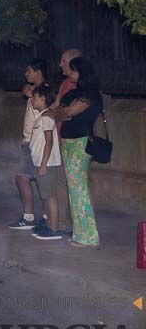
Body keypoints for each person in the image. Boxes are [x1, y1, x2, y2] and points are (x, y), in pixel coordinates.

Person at [51, 56, 103, 248]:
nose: (70, 73)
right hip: (70, 142)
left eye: (73, 70)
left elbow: (68, 112)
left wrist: (62, 112)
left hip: (80, 143)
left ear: (81, 72)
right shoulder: (78, 91)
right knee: (75, 190)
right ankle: (81, 233)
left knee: (78, 189)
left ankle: (88, 236)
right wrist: (61, 112)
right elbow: (59, 109)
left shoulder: (90, 94)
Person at [9, 59, 47, 231]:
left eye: (29, 71)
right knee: (28, 178)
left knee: (28, 177)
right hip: (29, 141)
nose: (26, 74)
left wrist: (33, 96)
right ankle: (33, 217)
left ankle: (39, 218)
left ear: (38, 72)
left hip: (36, 141)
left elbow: (49, 111)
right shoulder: (34, 90)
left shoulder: (45, 90)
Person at [27, 85, 64, 241]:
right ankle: (50, 225)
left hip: (47, 164)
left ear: (42, 99)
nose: (32, 100)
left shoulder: (47, 117)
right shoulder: (41, 116)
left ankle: (54, 229)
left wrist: (43, 164)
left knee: (50, 196)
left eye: (34, 97)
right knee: (45, 196)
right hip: (41, 163)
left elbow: (48, 142)